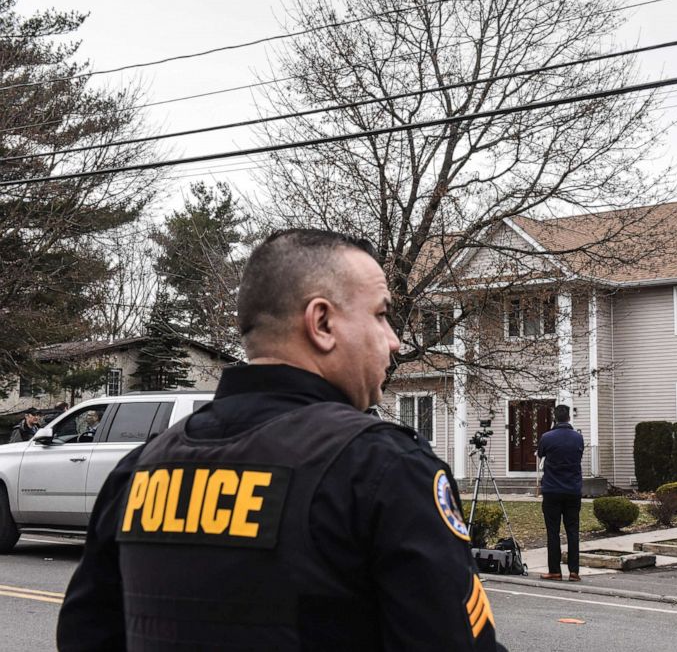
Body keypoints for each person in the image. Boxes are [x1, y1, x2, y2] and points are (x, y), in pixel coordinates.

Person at [57, 230, 506, 652]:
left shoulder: (140, 469)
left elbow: (86, 635)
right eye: (381, 314)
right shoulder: (384, 468)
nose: (394, 341)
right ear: (322, 322)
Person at [537, 404, 584, 582]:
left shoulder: (547, 437)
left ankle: (555, 570)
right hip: (572, 489)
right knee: (573, 530)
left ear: (555, 418)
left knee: (553, 531)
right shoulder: (578, 438)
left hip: (552, 489)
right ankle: (574, 571)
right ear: (569, 418)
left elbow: (540, 454)